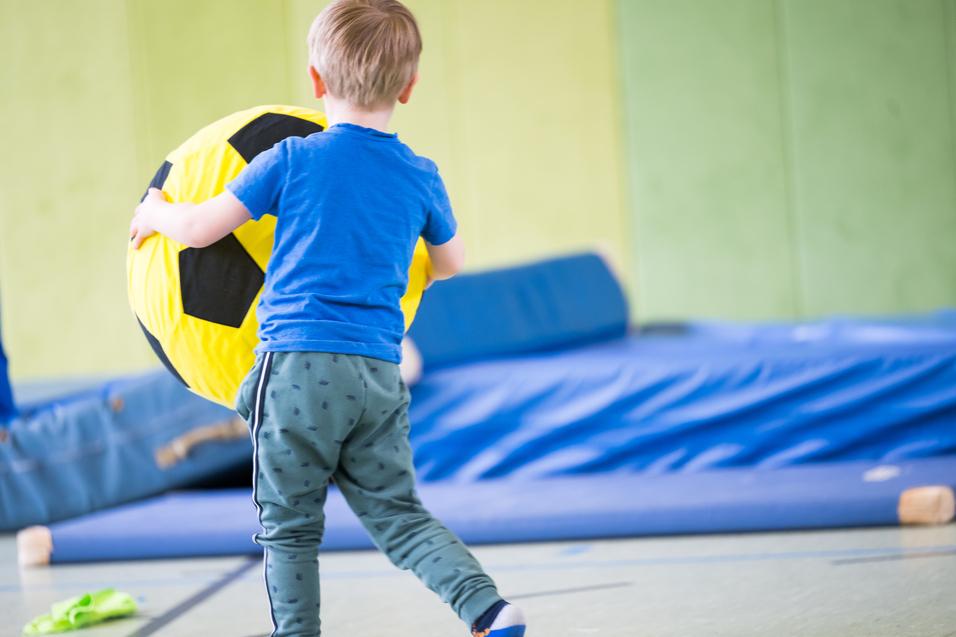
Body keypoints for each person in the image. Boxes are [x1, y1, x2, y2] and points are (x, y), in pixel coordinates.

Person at [129, 1, 526, 635]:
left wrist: (155, 213)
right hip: (377, 375)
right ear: (410, 86)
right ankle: (488, 607)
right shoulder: (421, 177)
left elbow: (201, 230)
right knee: (398, 513)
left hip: (297, 370)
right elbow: (451, 264)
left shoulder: (292, 158)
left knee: (288, 527)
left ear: (315, 81)